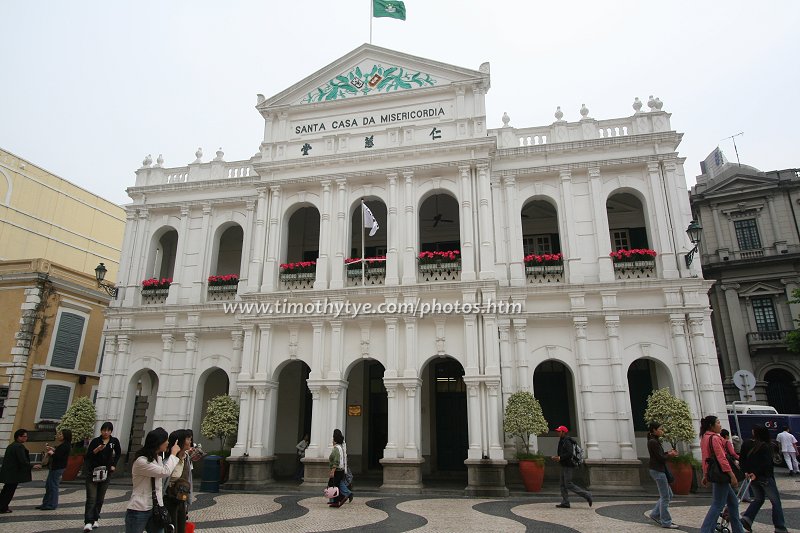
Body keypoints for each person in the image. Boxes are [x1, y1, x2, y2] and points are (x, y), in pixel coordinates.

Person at [125, 427, 180, 533]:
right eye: (166, 440)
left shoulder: (158, 459)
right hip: (139, 508)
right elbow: (165, 472)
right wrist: (173, 454)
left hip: (156, 507)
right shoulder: (141, 461)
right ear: (158, 442)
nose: (167, 443)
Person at [699, 415, 744, 533]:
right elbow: (721, 458)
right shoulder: (714, 438)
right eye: (718, 423)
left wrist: (705, 474)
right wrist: (731, 475)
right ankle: (705, 530)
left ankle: (738, 529)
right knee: (718, 504)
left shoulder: (704, 437)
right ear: (711, 425)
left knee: (733, 502)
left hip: (715, 473)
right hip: (721, 474)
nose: (720, 425)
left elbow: (705, 458)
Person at [739, 425, 787, 533]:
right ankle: (780, 527)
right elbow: (766, 463)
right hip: (763, 477)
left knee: (758, 499)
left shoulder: (746, 443)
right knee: (776, 502)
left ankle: (747, 519)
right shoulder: (766, 446)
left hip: (752, 477)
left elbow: (742, 459)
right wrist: (756, 473)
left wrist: (746, 471)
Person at [83, 421, 122, 531]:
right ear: (101, 431)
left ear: (111, 432)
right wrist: (97, 450)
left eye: (108, 430)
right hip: (93, 472)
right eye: (104, 430)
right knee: (91, 498)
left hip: (106, 472)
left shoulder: (114, 441)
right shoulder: (96, 441)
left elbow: (118, 453)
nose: (106, 432)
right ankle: (88, 521)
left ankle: (95, 518)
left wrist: (114, 464)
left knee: (100, 498)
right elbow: (88, 456)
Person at [646, 422, 679, 529]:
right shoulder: (653, 442)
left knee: (668, 495)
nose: (662, 431)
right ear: (654, 430)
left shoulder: (654, 441)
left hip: (659, 469)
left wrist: (668, 453)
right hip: (657, 470)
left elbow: (659, 456)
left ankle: (655, 514)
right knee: (665, 497)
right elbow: (660, 458)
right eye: (660, 429)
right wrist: (669, 454)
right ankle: (666, 521)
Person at [550, 425, 592, 509]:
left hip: (568, 465)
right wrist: (558, 457)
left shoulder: (567, 441)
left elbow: (569, 453)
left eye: (559, 431)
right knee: (562, 484)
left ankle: (587, 494)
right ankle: (565, 502)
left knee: (568, 484)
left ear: (564, 432)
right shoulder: (562, 440)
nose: (557, 433)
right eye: (557, 431)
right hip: (563, 464)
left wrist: (560, 457)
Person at [0, 429, 40, 513]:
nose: (26, 438)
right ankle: (3, 507)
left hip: (9, 472)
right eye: (24, 436)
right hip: (13, 473)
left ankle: (2, 506)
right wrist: (32, 465)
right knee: (9, 491)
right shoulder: (19, 446)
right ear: (19, 437)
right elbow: (22, 460)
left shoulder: (12, 445)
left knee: (6, 490)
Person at [164, 429, 194, 533]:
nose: (190, 441)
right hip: (169, 499)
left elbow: (188, 479)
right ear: (179, 441)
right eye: (188, 439)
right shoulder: (169, 460)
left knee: (181, 528)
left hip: (181, 499)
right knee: (170, 528)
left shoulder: (186, 458)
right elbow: (164, 480)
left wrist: (188, 500)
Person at [37, 428, 72, 510]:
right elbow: (60, 454)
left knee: (53, 486)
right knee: (49, 486)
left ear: (65, 436)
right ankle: (46, 503)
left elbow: (59, 457)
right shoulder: (64, 445)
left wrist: (52, 453)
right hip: (55, 467)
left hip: (57, 467)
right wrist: (53, 450)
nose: (58, 436)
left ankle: (52, 504)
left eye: (60, 434)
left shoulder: (65, 445)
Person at [328, 429, 352, 508]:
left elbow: (336, 461)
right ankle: (343, 496)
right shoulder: (341, 447)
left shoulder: (336, 449)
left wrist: (332, 471)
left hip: (337, 470)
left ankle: (337, 500)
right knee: (338, 484)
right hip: (341, 470)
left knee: (333, 485)